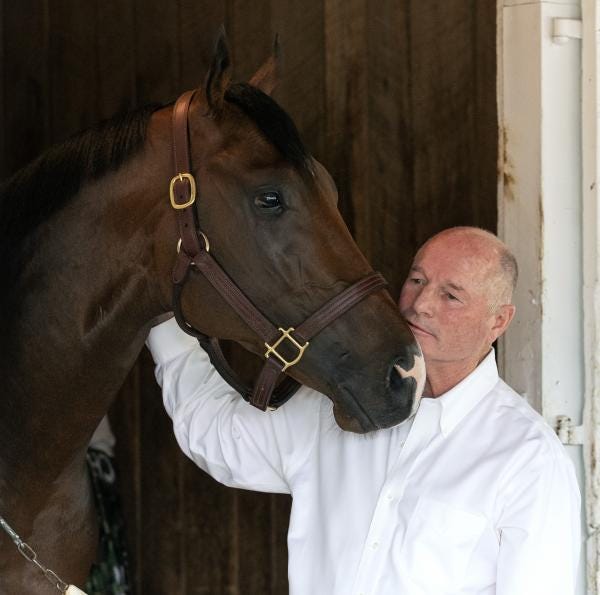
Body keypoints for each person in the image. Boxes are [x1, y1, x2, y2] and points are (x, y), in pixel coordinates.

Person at [146, 226, 581, 595]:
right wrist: (161, 316)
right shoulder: (334, 407)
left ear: (498, 322)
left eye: (451, 295)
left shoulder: (528, 459)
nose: (420, 303)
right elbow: (218, 438)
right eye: (416, 279)